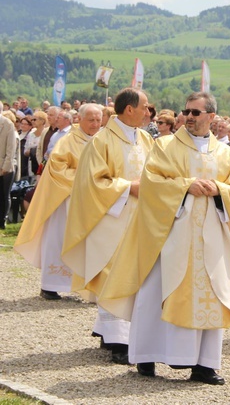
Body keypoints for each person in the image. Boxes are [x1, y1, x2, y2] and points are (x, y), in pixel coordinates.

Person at [97, 92, 230, 385]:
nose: (188, 117)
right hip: (171, 233)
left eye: (195, 112)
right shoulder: (165, 146)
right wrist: (186, 185)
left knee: (212, 292)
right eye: (186, 112)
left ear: (211, 117)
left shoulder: (225, 153)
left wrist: (220, 189)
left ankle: (204, 365)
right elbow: (152, 181)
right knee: (158, 289)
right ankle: (146, 355)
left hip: (211, 236)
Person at [61, 88, 154, 364]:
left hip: (142, 219)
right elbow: (92, 183)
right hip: (112, 219)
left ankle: (109, 329)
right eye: (145, 107)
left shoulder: (147, 139)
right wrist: (129, 188)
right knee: (115, 273)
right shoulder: (101, 142)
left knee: (137, 274)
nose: (149, 112)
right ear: (129, 110)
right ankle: (117, 340)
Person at [14, 104, 102, 300]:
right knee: (58, 240)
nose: (95, 124)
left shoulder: (102, 141)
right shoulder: (68, 141)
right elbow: (57, 167)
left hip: (92, 202)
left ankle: (86, 285)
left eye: (98, 120)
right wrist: (86, 179)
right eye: (91, 120)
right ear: (79, 120)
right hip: (65, 201)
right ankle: (50, 285)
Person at [0, 112, 17, 229]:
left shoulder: (7, 124)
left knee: (3, 194)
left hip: (4, 166)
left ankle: (2, 220)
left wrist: (5, 167)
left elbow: (11, 148)